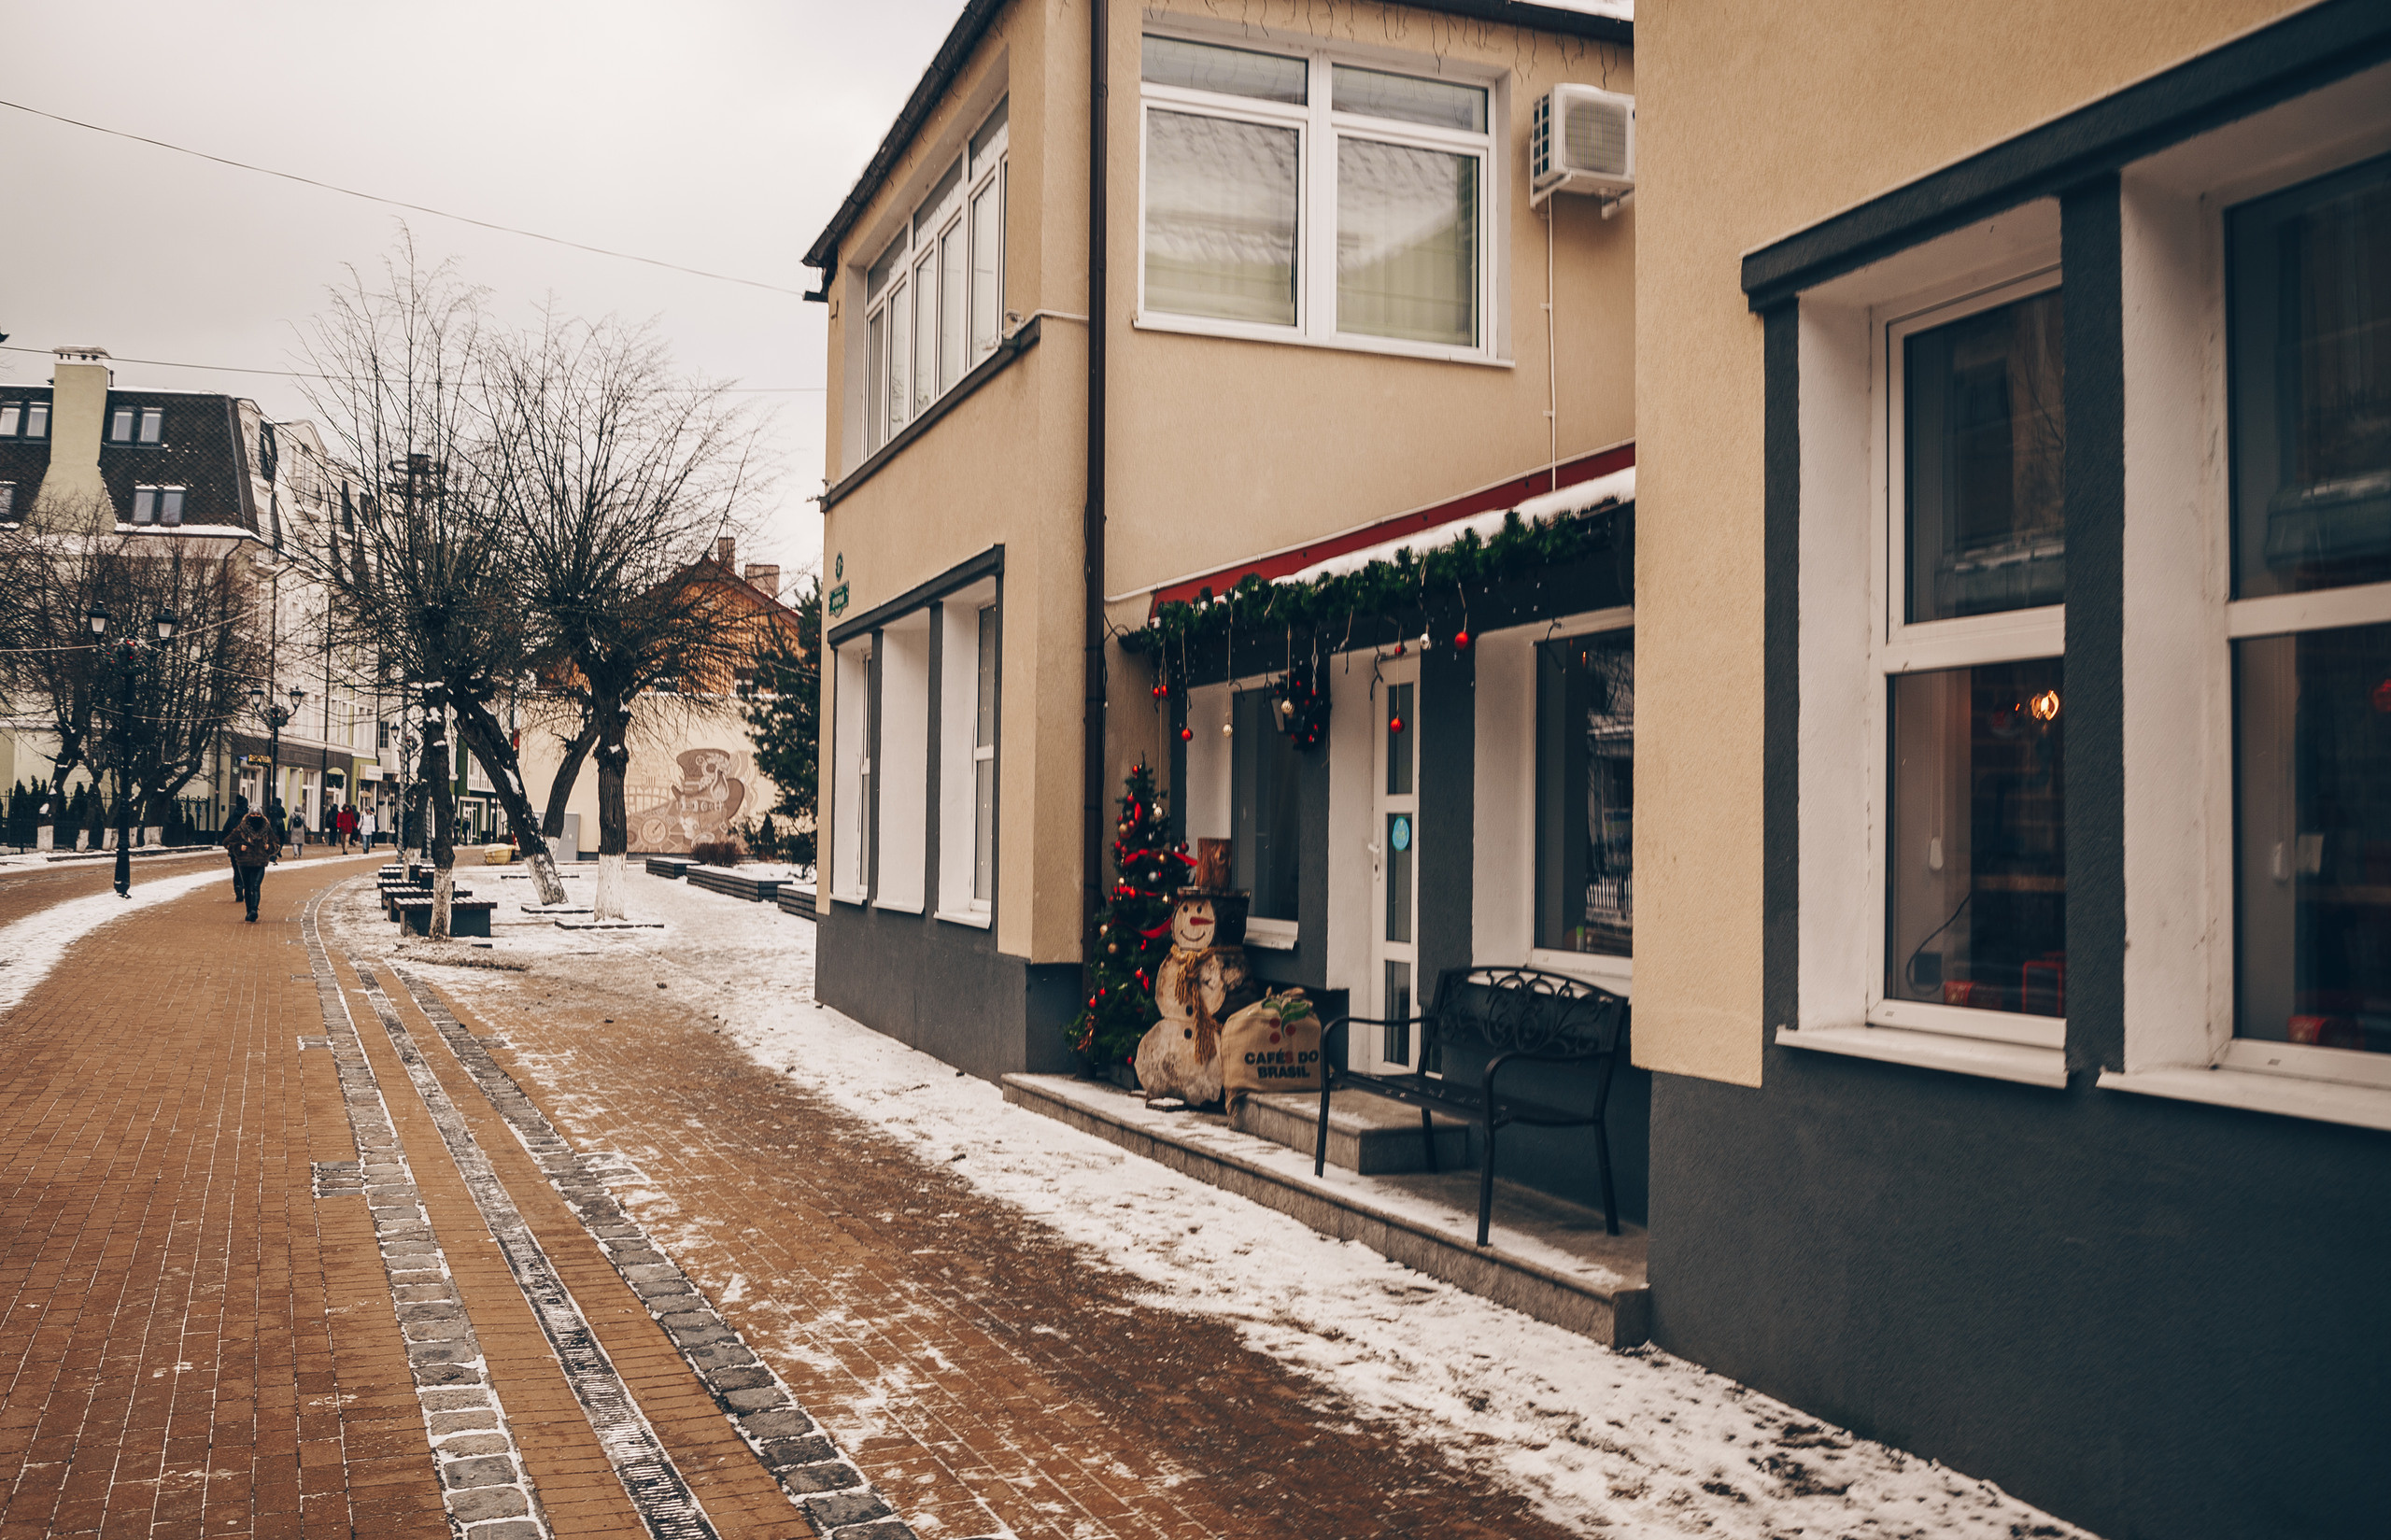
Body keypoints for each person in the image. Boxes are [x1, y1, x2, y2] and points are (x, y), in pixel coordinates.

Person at [222, 809, 278, 923]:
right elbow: (227, 842)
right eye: (253, 814)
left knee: (256, 886)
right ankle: (249, 911)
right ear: (249, 815)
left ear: (261, 815)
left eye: (258, 814)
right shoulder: (241, 828)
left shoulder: (266, 829)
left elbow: (276, 844)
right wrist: (238, 848)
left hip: (260, 862)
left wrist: (269, 847)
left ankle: (254, 910)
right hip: (244, 862)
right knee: (247, 887)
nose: (255, 816)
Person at [225, 793, 250, 897]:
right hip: (247, 848)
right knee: (246, 870)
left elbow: (225, 833)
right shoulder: (249, 818)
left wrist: (229, 845)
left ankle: (238, 886)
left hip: (234, 849)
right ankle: (244, 886)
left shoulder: (232, 817)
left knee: (236, 869)